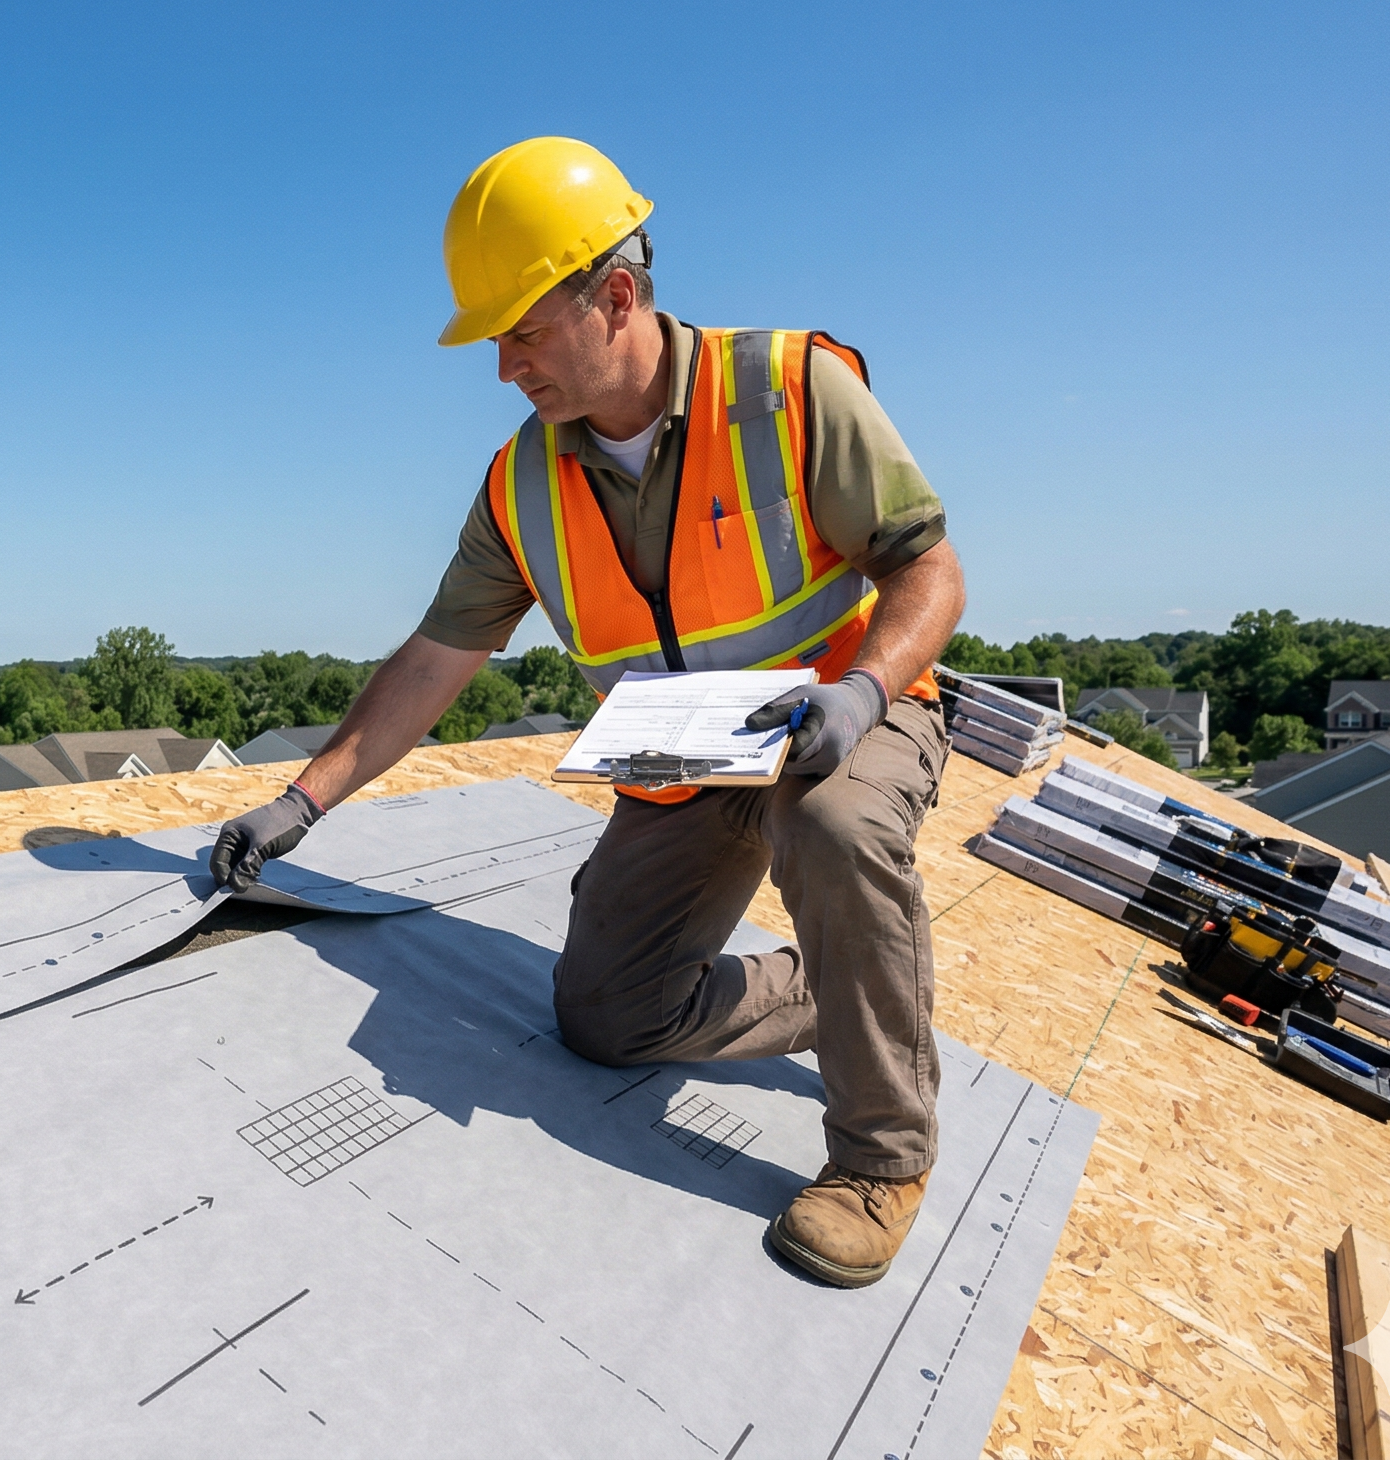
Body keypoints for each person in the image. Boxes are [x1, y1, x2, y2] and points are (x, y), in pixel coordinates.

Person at [209, 137, 967, 1289]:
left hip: (841, 720)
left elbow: (928, 575)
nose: (504, 367)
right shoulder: (521, 484)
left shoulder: (785, 391)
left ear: (613, 297)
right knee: (607, 1019)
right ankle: (833, 991)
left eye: (520, 330)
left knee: (830, 827)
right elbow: (432, 659)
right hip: (688, 765)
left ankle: (879, 1159)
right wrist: (298, 802)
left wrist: (860, 694)